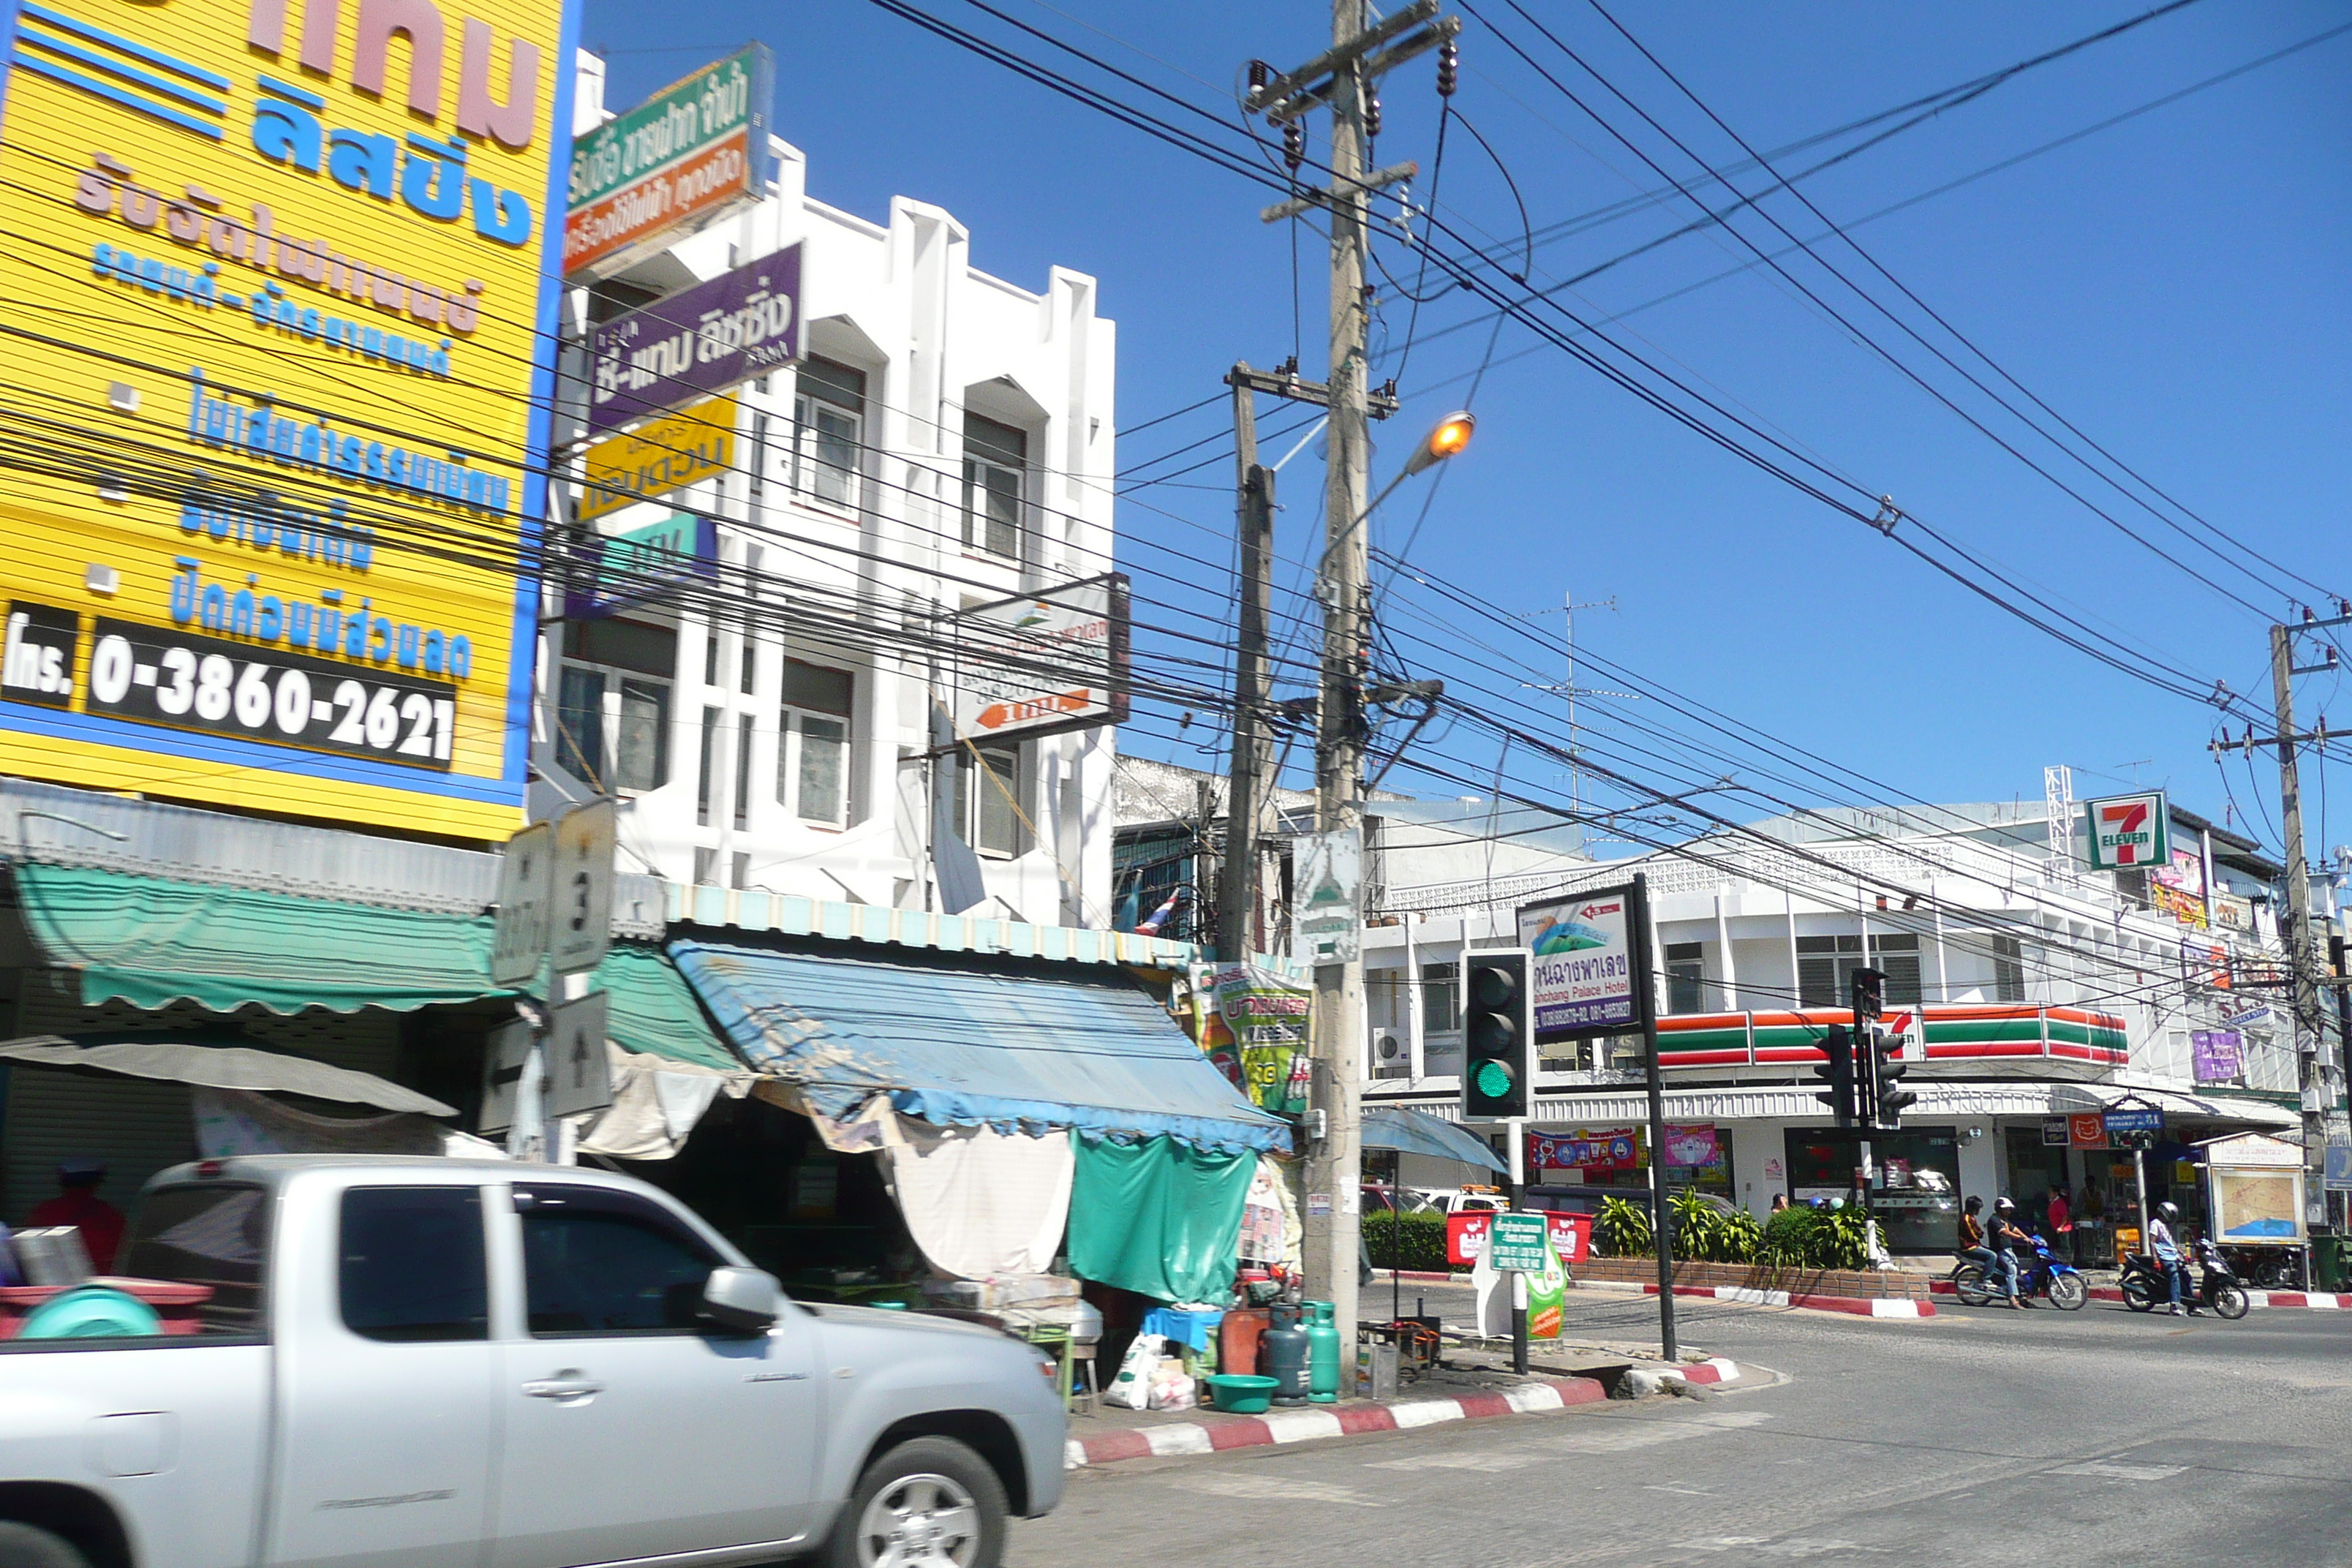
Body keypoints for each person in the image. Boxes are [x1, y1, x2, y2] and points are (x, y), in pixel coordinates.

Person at [27, 1158, 126, 1274]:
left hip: (54, 1279)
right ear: (94, 1184)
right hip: (100, 1282)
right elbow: (123, 1247)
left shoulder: (45, 1211)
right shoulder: (108, 1213)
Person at [1985, 1196, 2034, 1307]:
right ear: (2000, 1209)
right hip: (2000, 1250)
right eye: (2007, 1209)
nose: (2009, 1211)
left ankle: (2022, 1297)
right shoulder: (1994, 1220)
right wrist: (2020, 1238)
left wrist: (2027, 1237)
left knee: (2018, 1271)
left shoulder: (2005, 1220)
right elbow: (2004, 1232)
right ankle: (2012, 1298)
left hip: (2008, 1250)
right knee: (2011, 1271)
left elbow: (2014, 1229)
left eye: (2009, 1209)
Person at [2149, 1200, 2194, 1316]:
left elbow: (2172, 1242)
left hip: (2173, 1256)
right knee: (2175, 1276)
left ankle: (2192, 1306)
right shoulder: (2155, 1224)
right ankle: (2174, 1305)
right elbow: (2152, 1242)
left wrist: (2183, 1254)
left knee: (2187, 1277)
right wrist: (2156, 1260)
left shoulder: (2164, 1225)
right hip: (2165, 1257)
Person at [2048, 1185, 2074, 1264]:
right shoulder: (2052, 1202)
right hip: (2055, 1228)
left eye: (2051, 1192)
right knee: (2058, 1247)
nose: (2049, 1194)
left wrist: (2061, 1227)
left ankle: (2068, 1264)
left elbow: (2065, 1216)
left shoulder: (2060, 1203)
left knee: (2065, 1247)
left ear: (2056, 1193)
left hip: (2063, 1229)